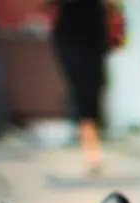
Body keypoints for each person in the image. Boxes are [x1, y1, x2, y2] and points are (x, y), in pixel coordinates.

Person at [46, 0, 110, 175]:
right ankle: (91, 150)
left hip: (92, 33)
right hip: (73, 36)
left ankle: (92, 148)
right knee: (83, 92)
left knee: (93, 90)